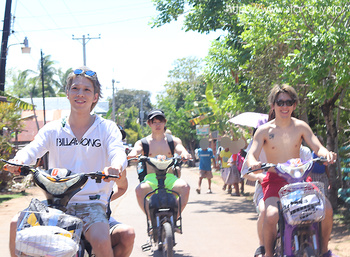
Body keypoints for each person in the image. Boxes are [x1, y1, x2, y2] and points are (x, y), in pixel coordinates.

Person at [5, 67, 128, 257]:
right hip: (54, 202)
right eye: (75, 88)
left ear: (95, 97)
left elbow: (117, 151)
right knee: (16, 224)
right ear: (68, 93)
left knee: (102, 241)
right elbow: (33, 148)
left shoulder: (107, 128)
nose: (80, 94)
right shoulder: (53, 128)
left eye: (87, 90)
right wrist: (18, 160)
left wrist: (116, 166)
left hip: (91, 204)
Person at [246, 84, 337, 257]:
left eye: (289, 102)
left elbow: (318, 147)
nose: (284, 106)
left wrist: (327, 154)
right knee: (271, 214)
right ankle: (268, 254)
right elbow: (252, 154)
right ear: (273, 105)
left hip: (300, 181)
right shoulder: (263, 131)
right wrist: (253, 162)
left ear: (295, 105)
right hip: (275, 182)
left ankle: (324, 250)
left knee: (327, 209)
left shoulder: (301, 126)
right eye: (280, 102)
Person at [128, 109, 191, 216]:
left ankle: (176, 218)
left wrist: (185, 154)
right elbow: (136, 149)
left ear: (165, 122)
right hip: (151, 179)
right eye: (154, 122)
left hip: (170, 179)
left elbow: (180, 149)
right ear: (149, 123)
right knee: (139, 190)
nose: (158, 125)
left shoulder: (173, 141)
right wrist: (133, 154)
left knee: (185, 187)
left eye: (160, 122)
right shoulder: (143, 142)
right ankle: (150, 219)